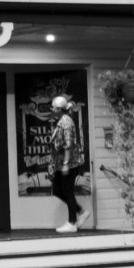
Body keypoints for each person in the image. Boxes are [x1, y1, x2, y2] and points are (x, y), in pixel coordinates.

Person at [47, 95, 86, 233]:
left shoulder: (66, 122)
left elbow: (69, 145)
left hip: (69, 164)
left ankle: (72, 222)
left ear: (58, 109)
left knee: (67, 191)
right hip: (60, 163)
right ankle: (81, 211)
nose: (51, 109)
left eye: (53, 107)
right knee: (57, 190)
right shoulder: (61, 121)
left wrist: (65, 163)